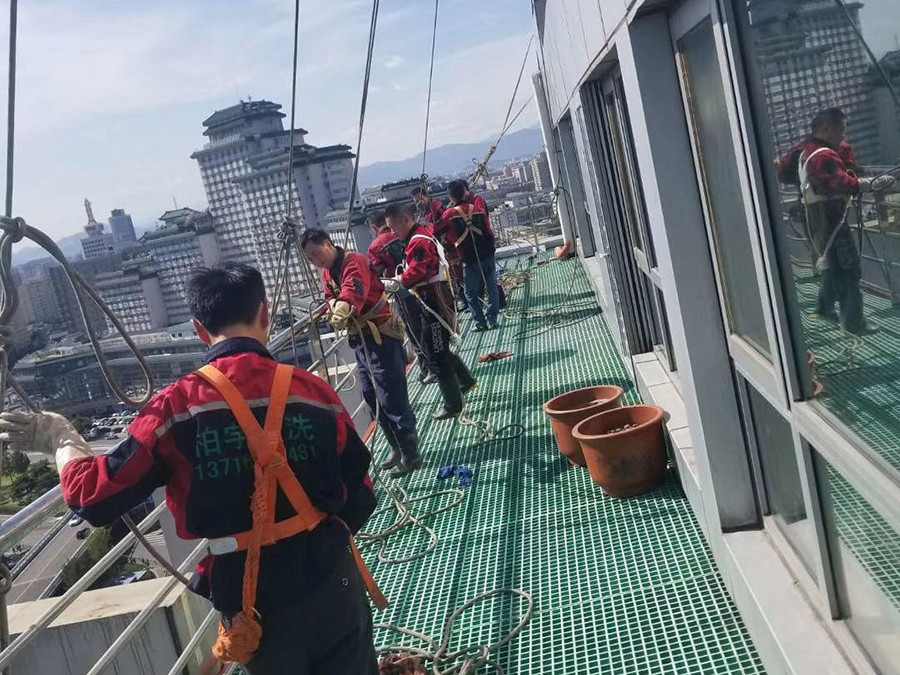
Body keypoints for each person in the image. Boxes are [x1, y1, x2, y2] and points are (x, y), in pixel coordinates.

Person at [0, 262, 382, 674]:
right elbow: (361, 494)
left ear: (199, 329)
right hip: (333, 582)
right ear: (266, 314)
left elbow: (90, 496)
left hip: (254, 605)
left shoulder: (175, 409)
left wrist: (60, 438)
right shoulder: (313, 391)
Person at [301, 228, 421, 476]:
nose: (315, 261)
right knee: (371, 396)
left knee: (392, 397)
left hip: (381, 337)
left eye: (316, 253)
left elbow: (352, 292)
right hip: (362, 340)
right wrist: (333, 305)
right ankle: (396, 446)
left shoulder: (353, 262)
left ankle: (411, 453)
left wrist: (341, 307)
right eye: (310, 258)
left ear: (328, 243)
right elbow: (330, 295)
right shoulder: (328, 272)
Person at [777, 107, 895, 335]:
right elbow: (842, 183)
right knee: (848, 268)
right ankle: (854, 323)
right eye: (840, 129)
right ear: (827, 128)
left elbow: (785, 173)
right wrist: (871, 183)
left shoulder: (805, 151)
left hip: (815, 214)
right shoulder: (825, 156)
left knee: (832, 264)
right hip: (830, 217)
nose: (843, 134)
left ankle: (824, 308)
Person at [384, 203, 478, 420]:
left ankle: (453, 404)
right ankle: (466, 381)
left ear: (406, 220)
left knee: (436, 353)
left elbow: (418, 272)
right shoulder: (419, 237)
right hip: (433, 301)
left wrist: (394, 282)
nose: (392, 233)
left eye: (393, 227)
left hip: (434, 304)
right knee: (438, 348)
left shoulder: (418, 242)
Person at [368, 211, 436, 386]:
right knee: (428, 326)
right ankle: (433, 365)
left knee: (414, 330)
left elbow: (376, 272)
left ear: (375, 227)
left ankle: (429, 367)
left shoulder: (376, 246)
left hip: (402, 289)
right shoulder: (414, 234)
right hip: (425, 287)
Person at [442, 179, 500, 331]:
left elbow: (436, 230)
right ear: (464, 192)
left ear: (451, 198)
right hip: (487, 254)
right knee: (492, 287)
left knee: (469, 293)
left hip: (469, 258)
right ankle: (493, 319)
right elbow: (488, 231)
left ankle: (480, 322)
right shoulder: (478, 209)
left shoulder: (449, 214)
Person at [412, 185, 467, 313]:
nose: (419, 203)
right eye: (416, 201)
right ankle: (462, 299)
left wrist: (429, 227)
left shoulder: (437, 208)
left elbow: (444, 225)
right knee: (451, 275)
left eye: (420, 199)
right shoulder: (427, 212)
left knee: (457, 273)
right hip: (441, 247)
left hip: (449, 246)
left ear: (426, 196)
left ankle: (466, 299)